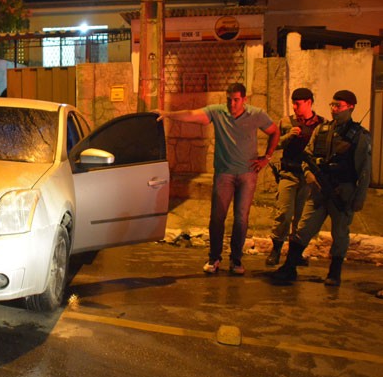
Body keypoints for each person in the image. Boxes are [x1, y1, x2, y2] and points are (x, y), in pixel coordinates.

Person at [157, 83, 280, 275]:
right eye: (229, 99)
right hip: (224, 173)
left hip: (248, 174)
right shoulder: (218, 112)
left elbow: (274, 131)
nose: (232, 104)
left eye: (236, 100)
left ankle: (236, 260)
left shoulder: (256, 114)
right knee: (217, 217)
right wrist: (168, 114)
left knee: (241, 218)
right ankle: (214, 258)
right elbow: (192, 114)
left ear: (244, 99)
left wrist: (267, 158)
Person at [272, 90, 371, 286]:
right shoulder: (322, 130)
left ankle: (334, 272)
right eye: (332, 105)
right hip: (318, 189)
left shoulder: (359, 136)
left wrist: (359, 197)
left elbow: (364, 170)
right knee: (304, 228)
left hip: (342, 191)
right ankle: (290, 266)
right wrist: (308, 175)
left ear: (350, 107)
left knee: (340, 232)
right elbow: (307, 156)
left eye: (339, 106)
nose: (334, 110)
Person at [266, 88, 325, 266]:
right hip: (289, 174)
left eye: (298, 103)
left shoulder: (321, 124)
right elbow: (274, 145)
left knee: (301, 219)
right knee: (284, 212)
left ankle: (294, 254)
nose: (294, 107)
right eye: (293, 103)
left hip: (309, 178)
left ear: (309, 103)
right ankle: (276, 249)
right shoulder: (287, 122)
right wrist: (287, 136)